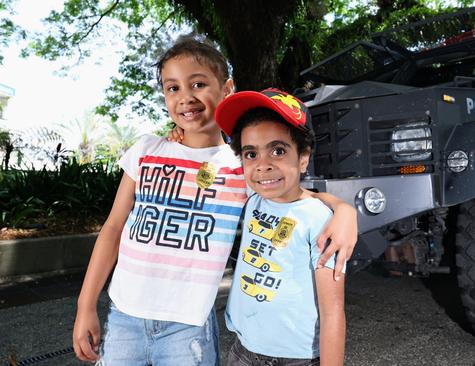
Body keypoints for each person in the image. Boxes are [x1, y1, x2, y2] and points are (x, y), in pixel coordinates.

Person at [72, 36, 356, 365]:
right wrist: (85, 305)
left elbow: (294, 195)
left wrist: (343, 209)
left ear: (226, 88)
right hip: (123, 317)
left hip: (188, 330)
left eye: (198, 84)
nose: (185, 97)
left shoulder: (242, 164)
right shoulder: (147, 150)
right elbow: (113, 228)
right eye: (172, 88)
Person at [215, 88, 345, 366]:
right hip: (243, 351)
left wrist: (343, 210)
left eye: (277, 150)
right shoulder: (253, 200)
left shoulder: (319, 219)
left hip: (295, 359)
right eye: (251, 154)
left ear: (303, 157)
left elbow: (333, 311)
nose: (262, 166)